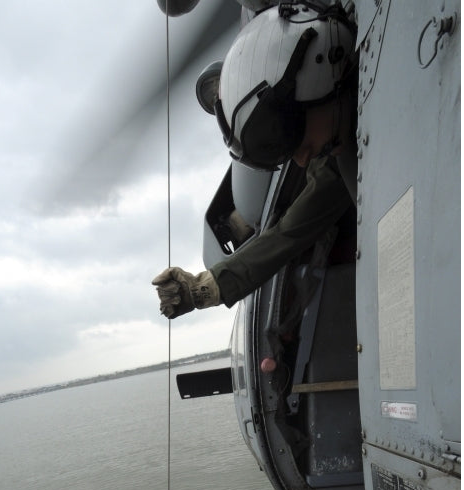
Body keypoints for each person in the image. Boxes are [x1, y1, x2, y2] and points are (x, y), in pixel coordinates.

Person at [153, 4, 358, 319]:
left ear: (317, 76)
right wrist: (202, 289)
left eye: (297, 141)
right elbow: (289, 233)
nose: (302, 161)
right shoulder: (333, 163)